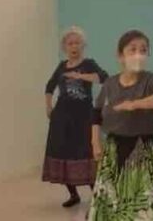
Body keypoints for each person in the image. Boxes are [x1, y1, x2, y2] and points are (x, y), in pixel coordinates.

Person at [88, 30, 153, 221]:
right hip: (113, 150)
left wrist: (134, 104)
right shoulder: (110, 84)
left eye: (143, 50)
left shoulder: (151, 80)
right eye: (133, 49)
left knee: (140, 208)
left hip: (143, 150)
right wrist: (95, 142)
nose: (138, 55)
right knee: (109, 204)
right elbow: (96, 113)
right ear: (121, 55)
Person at [42, 26, 109, 208]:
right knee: (63, 152)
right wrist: (48, 106)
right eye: (70, 43)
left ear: (83, 45)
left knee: (87, 153)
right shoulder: (61, 66)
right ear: (64, 46)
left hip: (84, 116)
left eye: (77, 43)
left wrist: (80, 76)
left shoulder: (89, 64)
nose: (74, 46)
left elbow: (104, 78)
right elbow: (49, 86)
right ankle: (73, 194)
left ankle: (97, 195)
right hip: (62, 117)